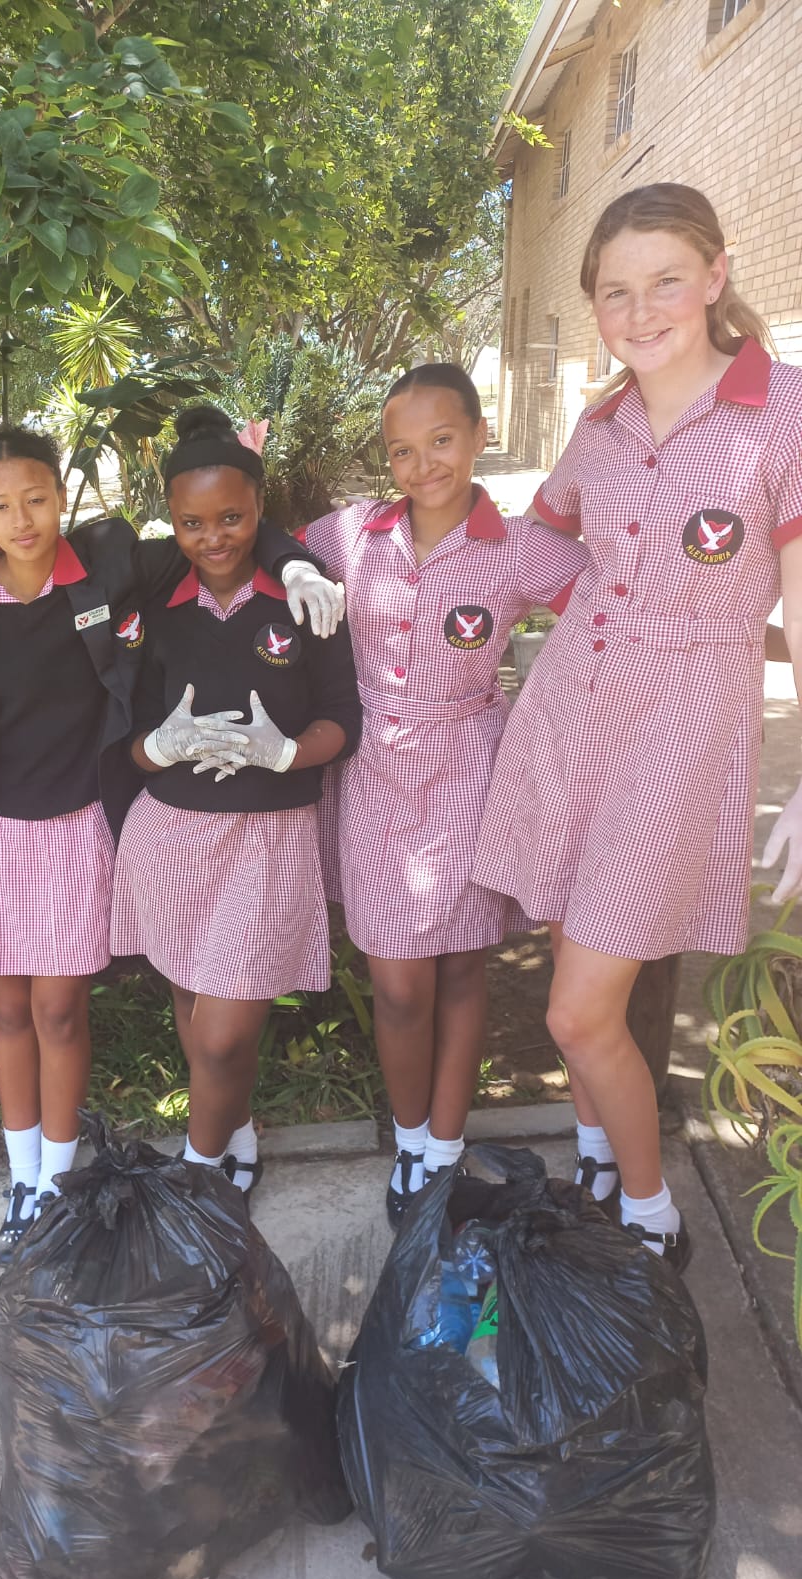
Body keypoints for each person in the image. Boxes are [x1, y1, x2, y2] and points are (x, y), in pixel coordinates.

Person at [472, 182, 802, 1268]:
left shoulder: (783, 411)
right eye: (616, 292)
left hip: (684, 733)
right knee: (578, 968)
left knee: (577, 1012)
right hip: (572, 714)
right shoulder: (602, 424)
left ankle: (653, 1218)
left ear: (715, 275)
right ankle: (599, 1162)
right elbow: (544, 538)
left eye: (666, 280)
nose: (641, 309)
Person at [0, 425, 342, 1263]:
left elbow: (221, 525)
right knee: (18, 1013)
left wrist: (297, 563)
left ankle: (94, 1180)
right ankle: (28, 1178)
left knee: (71, 1011)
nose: (21, 520)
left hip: (85, 816)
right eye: (1, 506)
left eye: (36, 498)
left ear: (62, 496)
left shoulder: (111, 562)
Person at [302, 366, 588, 1226]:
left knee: (464, 967)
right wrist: (291, 570)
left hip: (470, 769)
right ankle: (410, 1141)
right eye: (402, 450)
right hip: (372, 774)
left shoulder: (518, 545)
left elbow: (608, 608)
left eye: (441, 441)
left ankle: (446, 1151)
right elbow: (269, 551)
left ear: (477, 435)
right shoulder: (354, 534)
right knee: (397, 984)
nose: (423, 464)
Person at [110, 406, 362, 1194]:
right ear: (170, 519)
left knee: (223, 1038)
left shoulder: (306, 596)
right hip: (169, 838)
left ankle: (194, 1184)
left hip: (267, 842)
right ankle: (234, 1137)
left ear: (260, 507)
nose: (213, 537)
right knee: (194, 1006)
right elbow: (125, 738)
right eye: (192, 522)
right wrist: (162, 745)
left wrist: (284, 752)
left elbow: (343, 720)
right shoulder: (155, 598)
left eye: (232, 517)